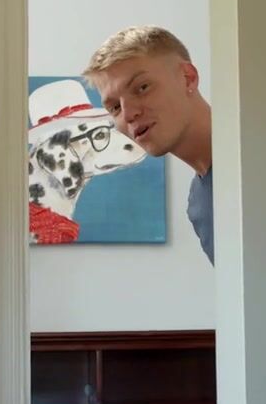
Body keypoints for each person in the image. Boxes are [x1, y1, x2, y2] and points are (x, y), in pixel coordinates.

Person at [82, 26, 214, 265]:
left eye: (142, 88)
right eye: (115, 107)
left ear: (188, 77)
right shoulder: (199, 204)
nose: (128, 114)